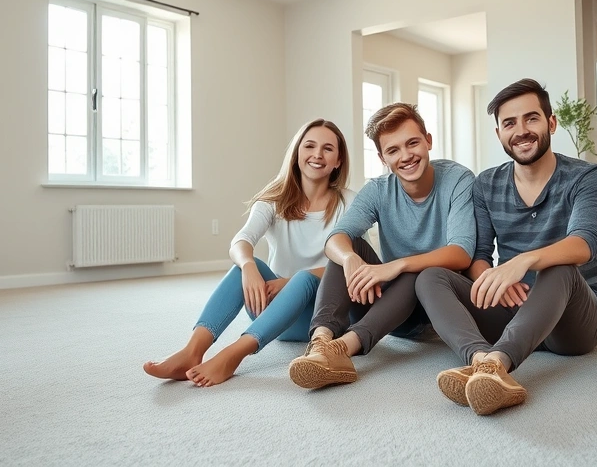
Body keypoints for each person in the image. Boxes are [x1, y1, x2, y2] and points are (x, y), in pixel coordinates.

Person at [415, 78, 597, 415]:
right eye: (509, 123)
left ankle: (497, 364)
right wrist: (494, 279)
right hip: (513, 310)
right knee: (430, 277)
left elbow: (584, 244)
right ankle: (478, 360)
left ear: (551, 123)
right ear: (499, 134)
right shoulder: (486, 183)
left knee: (559, 265)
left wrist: (521, 262)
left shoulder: (587, 177)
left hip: (573, 322)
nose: (521, 130)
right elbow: (477, 258)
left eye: (531, 118)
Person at [143, 119, 354, 387]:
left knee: (303, 278)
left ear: (338, 161)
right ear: (297, 153)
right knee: (245, 263)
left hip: (324, 320)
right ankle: (192, 350)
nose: (317, 155)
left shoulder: (349, 202)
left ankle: (234, 354)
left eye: (328, 149)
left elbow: (353, 264)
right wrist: (249, 268)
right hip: (275, 315)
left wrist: (291, 282)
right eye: (309, 146)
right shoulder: (273, 199)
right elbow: (241, 240)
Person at [288, 103, 476, 389]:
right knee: (350, 247)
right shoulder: (378, 189)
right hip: (389, 310)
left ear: (428, 140)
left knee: (419, 267)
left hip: (433, 306)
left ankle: (344, 349)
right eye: (393, 150)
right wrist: (350, 258)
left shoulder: (458, 179)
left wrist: (397, 265)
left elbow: (461, 253)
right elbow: (336, 238)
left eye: (413, 143)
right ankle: (322, 343)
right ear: (382, 157)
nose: (406, 156)